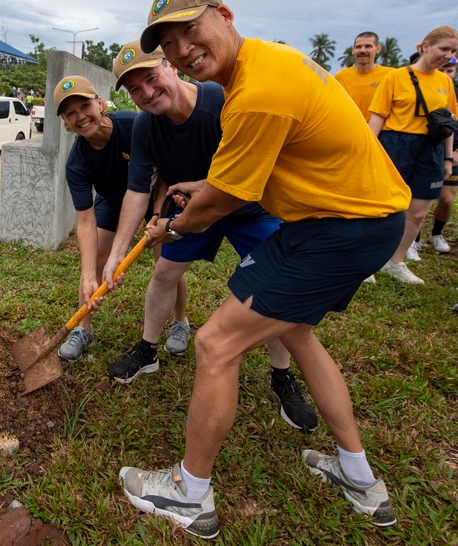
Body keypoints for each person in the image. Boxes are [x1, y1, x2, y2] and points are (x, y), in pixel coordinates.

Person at [112, 0, 409, 538]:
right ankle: (359, 477)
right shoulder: (266, 64)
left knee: (215, 342)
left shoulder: (255, 93)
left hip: (339, 230)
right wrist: (204, 186)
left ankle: (189, 494)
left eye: (189, 32)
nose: (182, 50)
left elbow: (224, 203)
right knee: (296, 332)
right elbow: (245, 175)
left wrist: (167, 228)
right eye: (169, 43)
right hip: (346, 220)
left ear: (224, 15)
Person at [102, 41, 317, 434]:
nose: (147, 94)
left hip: (251, 207)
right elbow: (137, 190)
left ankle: (282, 375)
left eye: (151, 79)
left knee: (276, 289)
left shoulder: (221, 100)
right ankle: (148, 349)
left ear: (170, 66)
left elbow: (257, 170)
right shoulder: (146, 126)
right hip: (194, 212)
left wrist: (203, 189)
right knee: (165, 272)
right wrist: (116, 253)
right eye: (135, 90)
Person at [51, 74, 186, 360]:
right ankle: (83, 328)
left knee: (167, 260)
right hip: (113, 199)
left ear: (100, 103)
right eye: (70, 113)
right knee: (97, 256)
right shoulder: (77, 164)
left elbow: (164, 169)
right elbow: (85, 221)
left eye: (85, 106)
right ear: (66, 122)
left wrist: (157, 211)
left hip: (155, 190)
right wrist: (89, 275)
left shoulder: (134, 125)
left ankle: (180, 322)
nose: (81, 117)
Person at [367, 27, 458, 284]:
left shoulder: (445, 83)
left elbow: (448, 124)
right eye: (444, 49)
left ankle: (395, 261)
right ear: (425, 46)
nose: (448, 55)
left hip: (430, 148)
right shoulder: (396, 77)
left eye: (453, 52)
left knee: (417, 212)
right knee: (381, 208)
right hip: (396, 143)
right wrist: (367, 152)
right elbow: (377, 118)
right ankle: (367, 263)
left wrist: (448, 158)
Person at [421, 57, 458, 254]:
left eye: (449, 70)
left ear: (455, 72)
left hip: (451, 151)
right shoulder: (424, 92)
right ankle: (413, 240)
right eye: (442, 70)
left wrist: (457, 153)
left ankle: (436, 233)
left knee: (447, 199)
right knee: (418, 198)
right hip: (425, 150)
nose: (445, 74)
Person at [334, 32, 393, 120]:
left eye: (368, 46)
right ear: (353, 50)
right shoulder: (341, 76)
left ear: (377, 49)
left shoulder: (390, 75)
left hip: (381, 131)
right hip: (351, 129)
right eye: (358, 47)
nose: (362, 50)